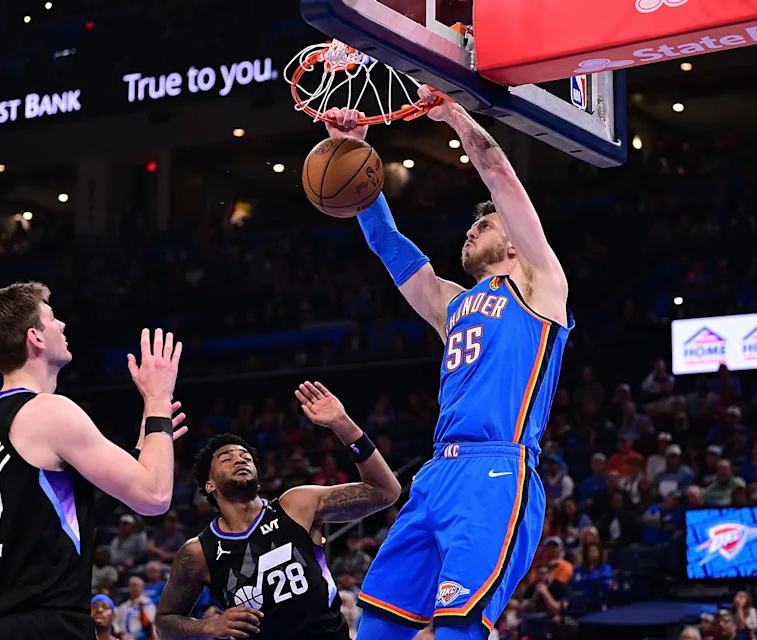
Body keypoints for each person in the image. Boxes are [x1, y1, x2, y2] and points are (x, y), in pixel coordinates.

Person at [324, 89, 573, 640]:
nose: (471, 230)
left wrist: (454, 112)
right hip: (436, 474)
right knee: (378, 625)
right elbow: (389, 245)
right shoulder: (451, 305)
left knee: (458, 628)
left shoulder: (539, 285)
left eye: (483, 226)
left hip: (496, 471)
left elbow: (497, 174)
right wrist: (355, 156)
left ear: (513, 240)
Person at [0, 283, 187, 639]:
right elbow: (155, 496)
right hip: (47, 625)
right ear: (35, 337)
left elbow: (64, 515)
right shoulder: (49, 412)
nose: (63, 326)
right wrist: (158, 399)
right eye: (52, 318)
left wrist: (143, 448)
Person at [155, 381, 401, 639]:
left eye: (246, 458)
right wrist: (207, 626)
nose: (239, 459)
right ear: (209, 484)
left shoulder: (296, 505)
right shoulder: (197, 552)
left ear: (258, 480)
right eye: (227, 458)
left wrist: (342, 424)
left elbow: (385, 491)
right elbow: (164, 622)